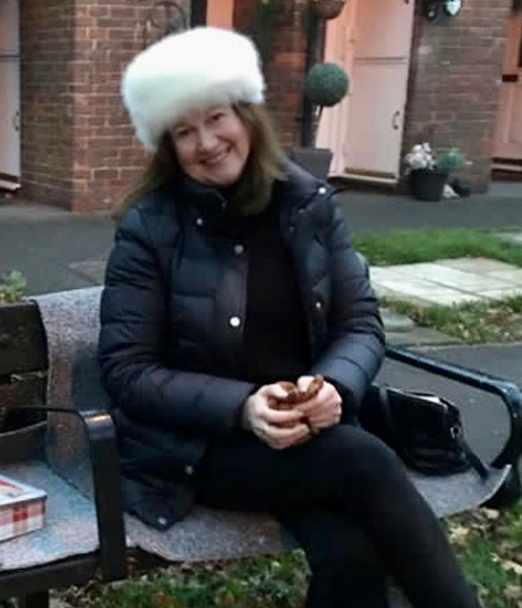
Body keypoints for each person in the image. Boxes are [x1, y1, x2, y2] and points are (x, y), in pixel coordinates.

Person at [99, 27, 482, 608]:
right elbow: (127, 373)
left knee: (351, 553)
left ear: (247, 115)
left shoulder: (309, 205)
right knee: (366, 459)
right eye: (183, 130)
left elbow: (361, 325)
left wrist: (335, 386)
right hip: (195, 450)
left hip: (310, 435)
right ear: (167, 146)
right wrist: (243, 408)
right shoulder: (149, 228)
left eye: (216, 117)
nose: (206, 142)